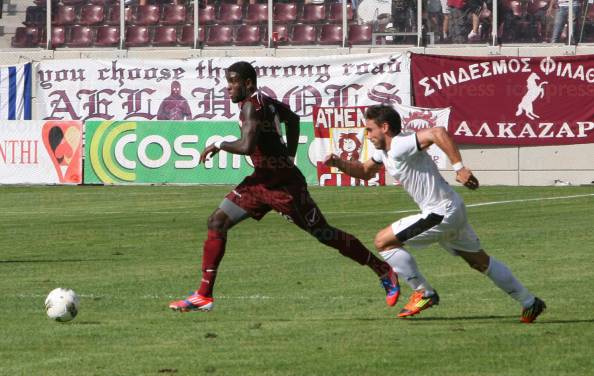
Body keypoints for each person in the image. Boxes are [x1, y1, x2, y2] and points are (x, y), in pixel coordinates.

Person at [168, 62, 400, 312]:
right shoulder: (264, 101)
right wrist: (289, 155)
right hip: (260, 181)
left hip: (284, 188)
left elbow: (246, 145)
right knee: (217, 222)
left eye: (233, 81)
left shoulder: (251, 107)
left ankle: (384, 270)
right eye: (228, 81)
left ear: (248, 83)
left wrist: (218, 143)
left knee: (324, 233)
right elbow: (293, 119)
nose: (229, 87)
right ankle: (204, 295)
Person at [324, 105, 546, 323]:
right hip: (451, 209)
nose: (368, 135)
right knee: (480, 261)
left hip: (440, 213)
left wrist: (459, 167)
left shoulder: (401, 144)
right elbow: (364, 171)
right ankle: (529, 302)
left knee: (383, 241)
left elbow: (437, 132)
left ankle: (423, 293)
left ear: (384, 127)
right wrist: (338, 163)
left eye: (370, 129)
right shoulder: (384, 152)